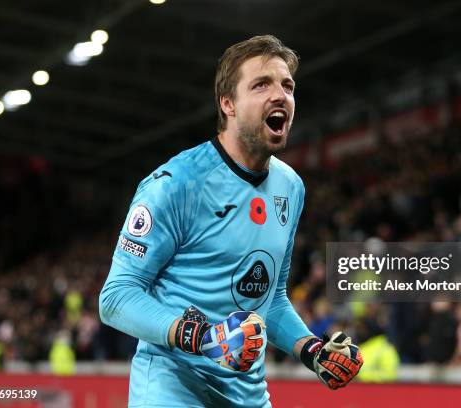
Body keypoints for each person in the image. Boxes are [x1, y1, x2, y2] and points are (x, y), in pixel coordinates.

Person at [99, 35, 363, 407]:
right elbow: (116, 298)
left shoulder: (290, 187)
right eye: (261, 85)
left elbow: (269, 300)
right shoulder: (177, 184)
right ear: (228, 104)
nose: (280, 95)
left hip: (247, 395)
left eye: (287, 86)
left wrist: (312, 350)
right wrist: (200, 337)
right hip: (172, 386)